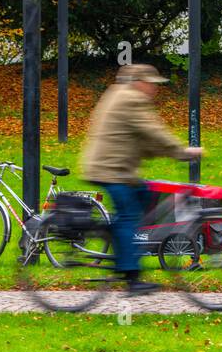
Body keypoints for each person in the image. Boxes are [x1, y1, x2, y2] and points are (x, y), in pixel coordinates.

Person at [81, 63, 204, 294]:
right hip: (113, 170)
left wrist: (168, 153)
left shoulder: (117, 94)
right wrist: (183, 152)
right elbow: (153, 131)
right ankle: (132, 277)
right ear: (139, 82)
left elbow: (143, 141)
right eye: (151, 84)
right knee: (129, 217)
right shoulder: (131, 99)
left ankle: (117, 244)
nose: (154, 89)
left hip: (113, 168)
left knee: (143, 196)